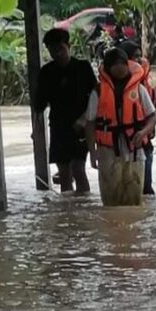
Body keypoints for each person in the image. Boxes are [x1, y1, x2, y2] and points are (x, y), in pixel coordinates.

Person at [85, 48, 156, 206]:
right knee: (111, 201)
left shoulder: (139, 89)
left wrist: (144, 131)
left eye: (122, 63)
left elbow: (152, 116)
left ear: (127, 64)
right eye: (115, 64)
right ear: (108, 67)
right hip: (107, 149)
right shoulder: (98, 91)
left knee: (134, 200)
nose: (119, 67)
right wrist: (92, 151)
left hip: (134, 148)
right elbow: (90, 123)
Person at [35, 29, 97, 193]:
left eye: (60, 48)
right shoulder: (47, 73)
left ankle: (83, 209)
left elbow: (97, 95)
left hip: (80, 127)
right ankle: (68, 214)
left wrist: (84, 119)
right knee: (64, 174)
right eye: (52, 50)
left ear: (69, 46)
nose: (57, 53)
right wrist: (36, 129)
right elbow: (39, 104)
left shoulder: (82, 68)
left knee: (78, 169)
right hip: (58, 125)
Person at [119, 41, 156, 196]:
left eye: (140, 56)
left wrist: (153, 114)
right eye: (135, 57)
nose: (139, 60)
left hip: (145, 144)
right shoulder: (115, 86)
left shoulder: (146, 83)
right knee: (124, 191)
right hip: (121, 146)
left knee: (145, 190)